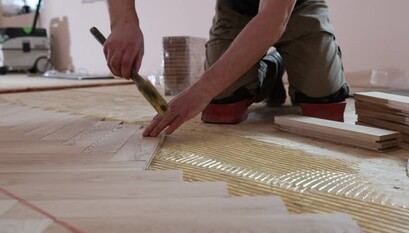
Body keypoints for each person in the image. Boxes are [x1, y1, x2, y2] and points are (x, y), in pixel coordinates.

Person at [104, 0, 350, 137]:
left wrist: (201, 91)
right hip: (236, 8)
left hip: (297, 6)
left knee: (325, 107)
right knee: (222, 108)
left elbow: (274, 18)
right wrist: (123, 22)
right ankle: (271, 70)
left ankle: (292, 60)